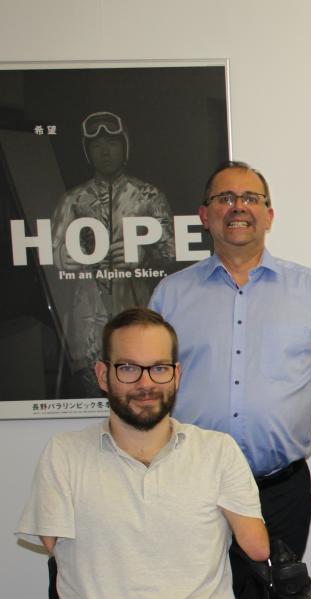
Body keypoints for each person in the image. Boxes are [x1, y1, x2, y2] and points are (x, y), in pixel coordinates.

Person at [14, 308, 290, 599]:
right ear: (103, 375)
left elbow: (257, 549)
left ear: (177, 375)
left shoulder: (217, 450)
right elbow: (56, 549)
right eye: (129, 368)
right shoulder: (64, 454)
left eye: (159, 368)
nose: (145, 383)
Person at [150, 161, 311, 560]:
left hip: (279, 492)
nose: (238, 207)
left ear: (269, 215)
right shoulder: (171, 296)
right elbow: (150, 392)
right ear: (204, 215)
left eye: (251, 198)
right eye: (225, 198)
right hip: (190, 487)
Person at [52, 111, 175, 394]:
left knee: (142, 391)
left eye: (112, 144)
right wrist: (73, 259)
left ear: (124, 147)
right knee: (92, 390)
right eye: (96, 146)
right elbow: (55, 256)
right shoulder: (71, 200)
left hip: (138, 311)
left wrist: (144, 255)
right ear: (87, 152)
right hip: (88, 317)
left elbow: (172, 252)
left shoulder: (148, 195)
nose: (105, 152)